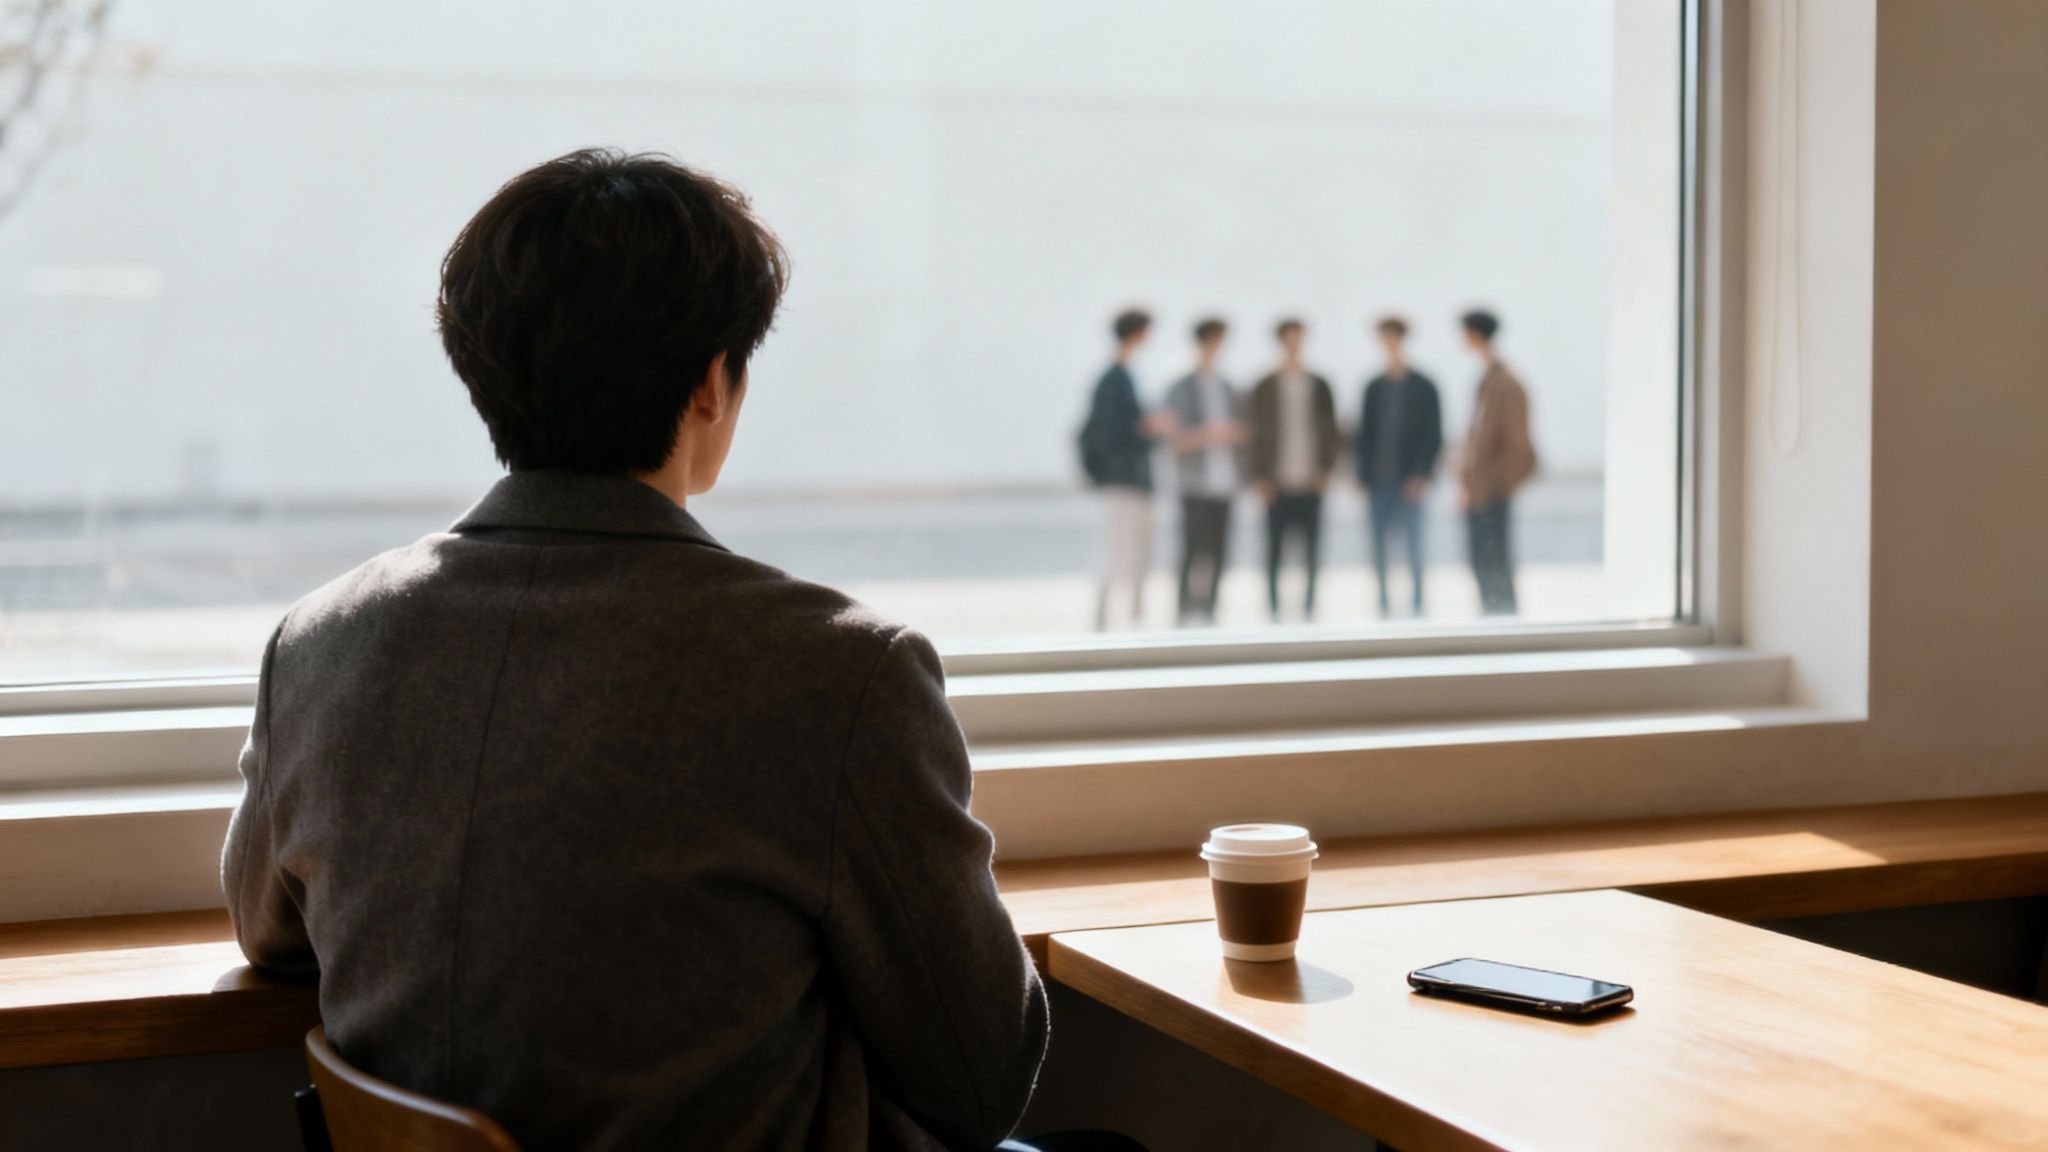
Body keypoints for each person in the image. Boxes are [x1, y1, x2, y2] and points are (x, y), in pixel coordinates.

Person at [221, 149, 1136, 1152]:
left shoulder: (318, 640)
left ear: (478, 366)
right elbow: (979, 1079)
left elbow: (267, 934)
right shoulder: (836, 672)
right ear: (711, 382)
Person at [1078, 308, 1171, 630]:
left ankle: (1130, 616)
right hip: (1122, 480)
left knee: (1137, 550)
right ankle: (1107, 619)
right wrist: (1146, 427)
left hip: (1135, 480)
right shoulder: (1114, 379)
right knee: (1118, 549)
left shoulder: (1127, 375)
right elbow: (1111, 430)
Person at [1246, 318, 1339, 620]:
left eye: (1297, 339)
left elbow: (1331, 431)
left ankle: (1310, 608)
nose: (1293, 345)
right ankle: (1273, 609)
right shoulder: (1264, 386)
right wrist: (1259, 477)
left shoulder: (1319, 384)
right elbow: (1254, 432)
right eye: (1288, 339)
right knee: (1274, 550)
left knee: (1312, 550)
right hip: (1277, 482)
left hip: (1310, 481)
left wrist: (1327, 470)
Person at [1355, 315, 1444, 618]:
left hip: (1410, 483)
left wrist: (1421, 474)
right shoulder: (1374, 387)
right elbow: (1363, 435)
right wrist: (1362, 476)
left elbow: (1433, 435)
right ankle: (1383, 603)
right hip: (1379, 480)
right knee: (1378, 548)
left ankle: (1418, 605)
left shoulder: (1424, 386)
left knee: (1415, 547)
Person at [1163, 317, 1245, 626]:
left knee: (1220, 550)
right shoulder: (1180, 388)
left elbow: (1241, 433)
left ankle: (1210, 607)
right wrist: (1212, 433)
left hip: (1225, 483)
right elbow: (1176, 440)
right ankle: (1184, 608)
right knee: (1191, 549)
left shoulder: (1226, 387)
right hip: (1194, 483)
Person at [1455, 308, 1537, 615]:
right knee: (1482, 564)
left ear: (1475, 334)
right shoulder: (1487, 382)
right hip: (1480, 494)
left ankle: (1504, 626)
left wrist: (1498, 485)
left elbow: (1519, 447)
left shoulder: (1506, 385)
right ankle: (1494, 622)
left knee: (1495, 564)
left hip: (1493, 494)